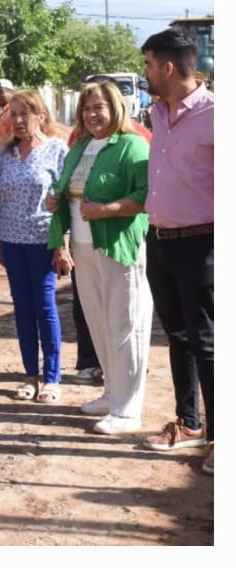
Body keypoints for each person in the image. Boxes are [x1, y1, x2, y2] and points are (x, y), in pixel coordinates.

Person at [46, 77, 152, 436]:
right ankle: (112, 393)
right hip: (83, 246)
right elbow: (67, 190)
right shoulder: (79, 146)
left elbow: (145, 195)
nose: (92, 114)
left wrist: (106, 210)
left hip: (119, 244)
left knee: (125, 325)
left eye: (99, 107)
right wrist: (56, 202)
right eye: (86, 108)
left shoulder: (133, 145)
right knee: (98, 322)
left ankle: (127, 410)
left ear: (115, 109)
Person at [139, 30, 213, 474]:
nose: (145, 73)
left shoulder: (214, 114)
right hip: (160, 241)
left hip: (204, 243)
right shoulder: (157, 112)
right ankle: (189, 424)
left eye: (148, 64)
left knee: (209, 342)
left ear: (168, 67)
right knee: (179, 337)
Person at [0, 90, 67, 402]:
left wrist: (62, 245)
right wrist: (0, 241)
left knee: (44, 307)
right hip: (12, 242)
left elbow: (64, 201)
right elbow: (1, 200)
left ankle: (52, 379)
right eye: (12, 114)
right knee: (22, 309)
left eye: (24, 114)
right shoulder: (6, 154)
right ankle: (30, 376)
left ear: (40, 116)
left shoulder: (57, 150)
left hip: (43, 241)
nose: (17, 120)